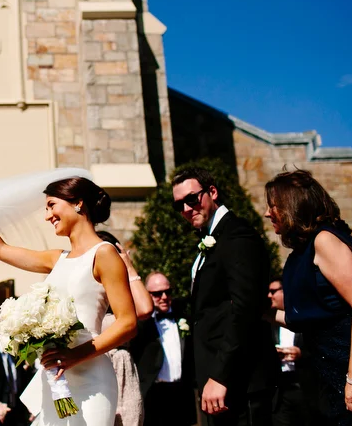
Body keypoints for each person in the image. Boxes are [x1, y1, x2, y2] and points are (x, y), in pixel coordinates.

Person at [0, 175, 138, 426]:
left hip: (92, 377)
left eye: (51, 205)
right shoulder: (57, 259)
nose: (47, 215)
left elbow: (127, 323)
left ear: (78, 204)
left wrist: (75, 356)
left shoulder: (104, 254)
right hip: (54, 379)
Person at [264, 169, 352, 424]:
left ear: (291, 206)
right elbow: (308, 318)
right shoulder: (298, 255)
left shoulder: (325, 241)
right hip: (333, 375)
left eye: (273, 206)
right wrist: (261, 311)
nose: (267, 213)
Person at [172, 166, 278, 425]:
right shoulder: (212, 238)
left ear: (212, 192)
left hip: (240, 381)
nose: (186, 209)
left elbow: (245, 310)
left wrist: (221, 376)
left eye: (191, 199)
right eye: (179, 205)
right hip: (218, 382)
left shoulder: (237, 235)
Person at [95, 230, 152, 426]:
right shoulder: (86, 291)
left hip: (122, 372)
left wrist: (128, 267)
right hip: (92, 371)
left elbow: (145, 309)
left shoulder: (122, 291)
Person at [129, 272, 195, 426]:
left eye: (168, 291)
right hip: (153, 395)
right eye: (157, 294)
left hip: (181, 393)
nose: (164, 297)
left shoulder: (182, 316)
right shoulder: (140, 325)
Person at [267, 278, 321, 426]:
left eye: (273, 292)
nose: (269, 296)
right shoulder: (269, 324)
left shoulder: (305, 318)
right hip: (280, 392)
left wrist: (301, 354)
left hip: (305, 389)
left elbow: (319, 350)